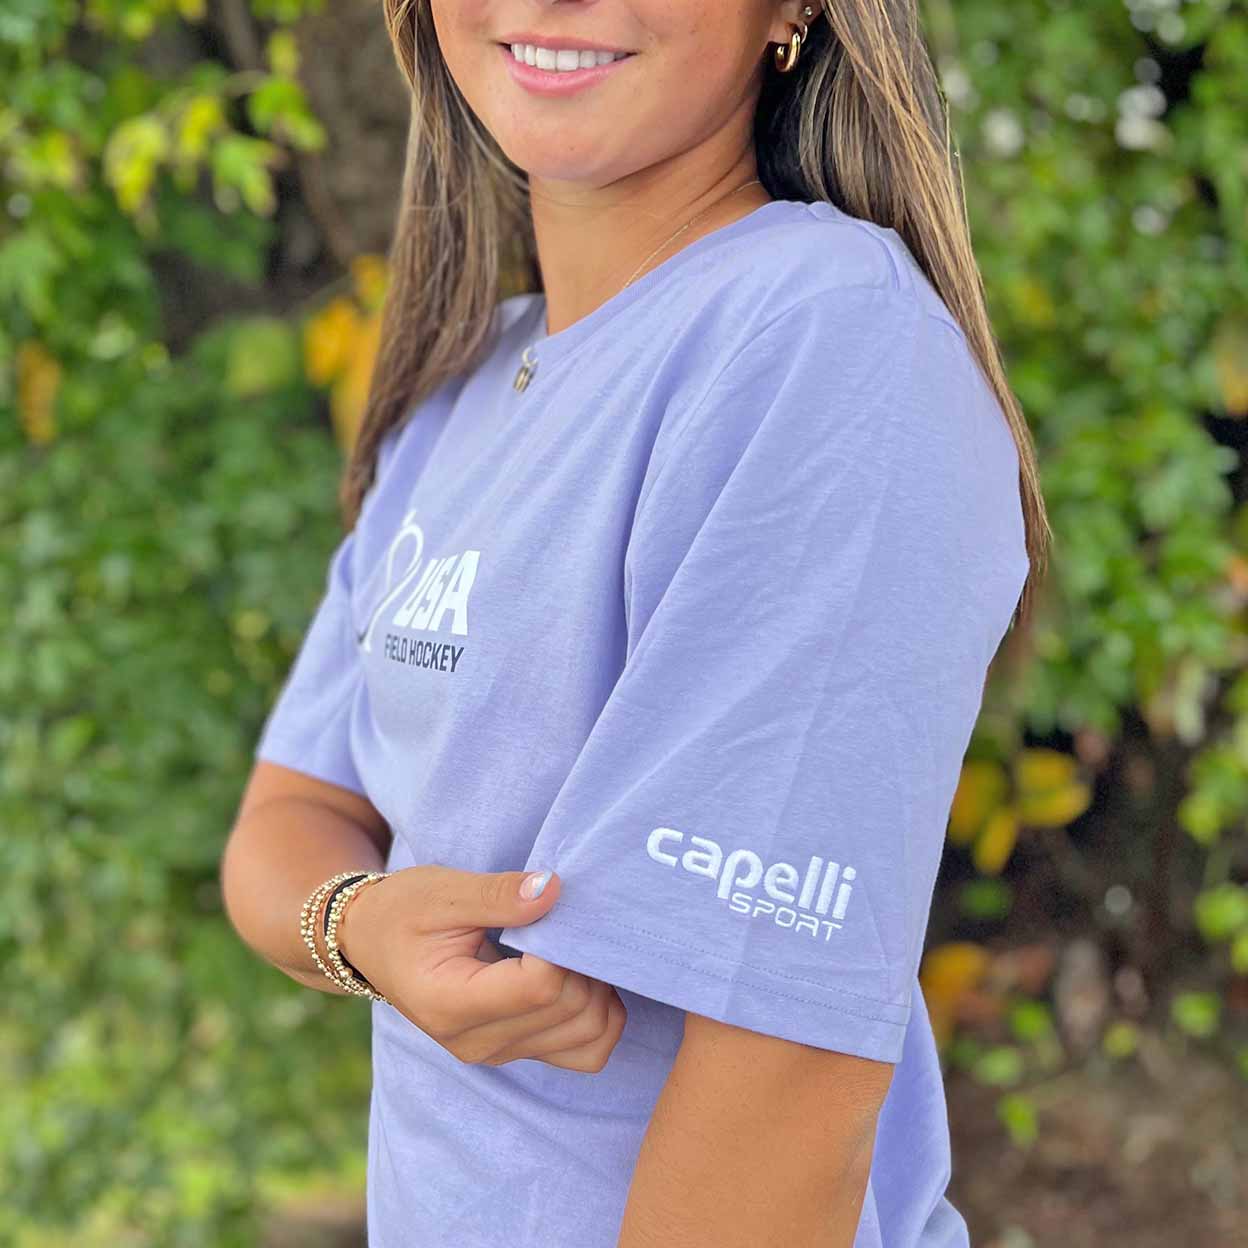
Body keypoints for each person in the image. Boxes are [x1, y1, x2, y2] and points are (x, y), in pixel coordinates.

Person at [220, 1, 1051, 1245]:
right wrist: (360, 926)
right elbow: (282, 824)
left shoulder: (828, 344)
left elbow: (784, 1066)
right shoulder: (456, 395)